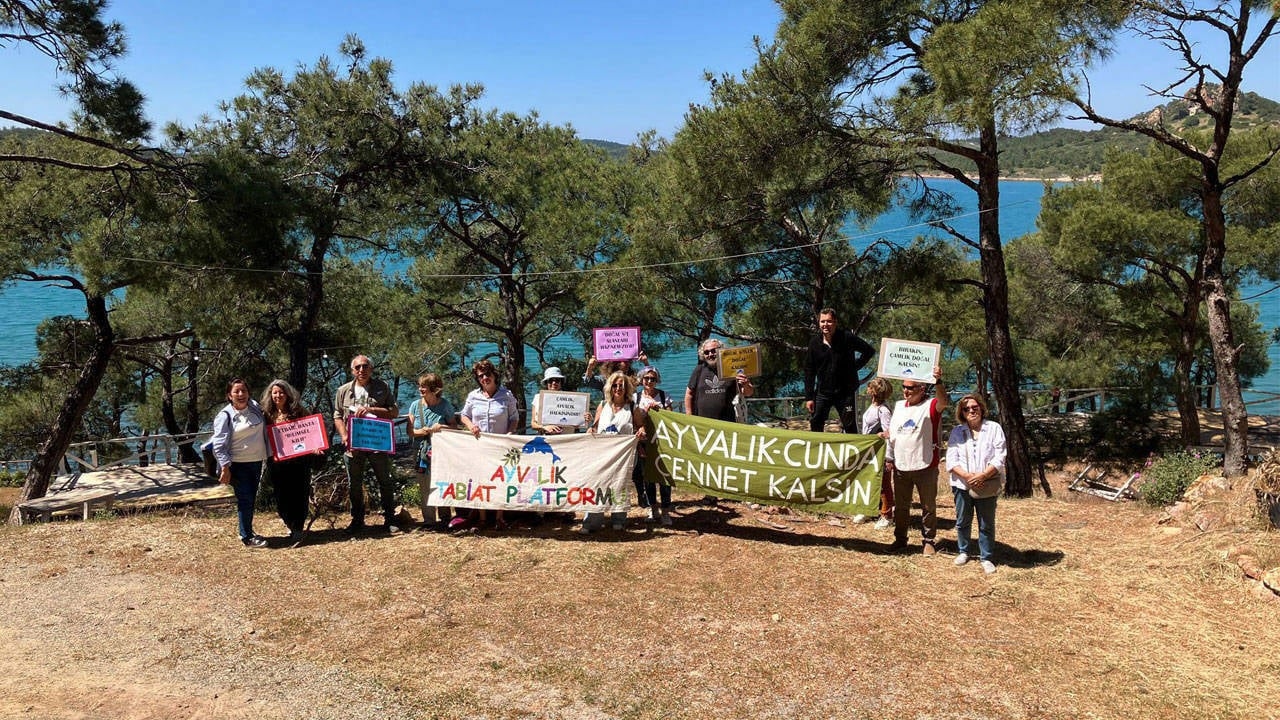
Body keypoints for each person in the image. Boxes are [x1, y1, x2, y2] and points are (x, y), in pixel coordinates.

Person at [333, 354, 401, 534]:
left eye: (365, 366)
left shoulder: (383, 387)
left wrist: (372, 410)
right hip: (354, 446)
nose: (361, 370)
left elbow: (394, 412)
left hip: (377, 443)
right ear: (352, 370)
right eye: (357, 367)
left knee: (384, 481)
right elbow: (337, 416)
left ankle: (390, 518)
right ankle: (357, 520)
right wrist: (344, 435)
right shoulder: (343, 391)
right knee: (354, 484)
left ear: (371, 369)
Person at [884, 366, 948, 555]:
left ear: (921, 389)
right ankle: (900, 540)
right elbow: (892, 435)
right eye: (904, 387)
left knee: (928, 505)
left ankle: (928, 540)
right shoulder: (897, 406)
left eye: (910, 388)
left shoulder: (930, 405)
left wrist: (938, 381)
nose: (906, 391)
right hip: (901, 465)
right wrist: (889, 456)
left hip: (925, 464)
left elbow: (943, 402)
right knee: (901, 507)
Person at [946, 394, 1005, 574]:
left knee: (986, 522)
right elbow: (951, 459)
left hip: (986, 483)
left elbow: (1000, 456)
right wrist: (968, 476)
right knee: (963, 520)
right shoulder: (957, 432)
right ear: (962, 413)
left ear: (981, 408)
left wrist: (983, 476)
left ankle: (986, 556)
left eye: (974, 407)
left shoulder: (994, 428)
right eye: (966, 409)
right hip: (961, 484)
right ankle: (964, 551)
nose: (971, 411)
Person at [458, 359, 520, 530]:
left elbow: (514, 417)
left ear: (494, 375)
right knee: (480, 480)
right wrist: (471, 426)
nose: (485, 378)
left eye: (487, 374)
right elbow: (464, 415)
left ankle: (499, 517)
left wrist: (511, 432)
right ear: (478, 379)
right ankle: (483, 518)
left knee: (501, 480)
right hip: (480, 446)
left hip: (501, 446)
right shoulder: (473, 396)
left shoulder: (506, 395)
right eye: (481, 376)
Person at [583, 371, 646, 533]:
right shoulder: (603, 405)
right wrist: (589, 426)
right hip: (602, 454)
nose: (618, 388)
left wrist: (641, 432)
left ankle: (619, 519)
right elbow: (595, 427)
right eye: (615, 385)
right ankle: (592, 521)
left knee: (620, 485)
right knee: (598, 484)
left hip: (624, 456)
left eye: (622, 386)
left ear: (626, 389)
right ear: (610, 387)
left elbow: (640, 426)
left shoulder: (632, 407)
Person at [210, 378, 269, 548]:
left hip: (257, 461)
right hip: (238, 464)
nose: (241, 394)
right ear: (229, 395)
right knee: (245, 499)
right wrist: (225, 468)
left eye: (243, 390)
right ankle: (247, 536)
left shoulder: (255, 408)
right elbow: (219, 444)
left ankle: (247, 531)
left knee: (250, 499)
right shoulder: (225, 416)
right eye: (236, 391)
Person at [261, 379, 320, 546]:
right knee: (281, 496)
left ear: (287, 394)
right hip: (277, 461)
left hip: (299, 461)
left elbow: (311, 431)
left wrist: (316, 446)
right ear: (270, 395)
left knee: (299, 494)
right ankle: (289, 523)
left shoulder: (298, 411)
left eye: (281, 392)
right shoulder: (266, 414)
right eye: (275, 393)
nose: (278, 395)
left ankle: (298, 528)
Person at [803, 308, 876, 434]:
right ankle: (817, 450)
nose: (826, 324)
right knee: (815, 423)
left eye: (829, 321)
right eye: (823, 321)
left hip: (845, 393)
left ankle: (852, 451)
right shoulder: (814, 343)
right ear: (819, 323)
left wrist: (855, 366)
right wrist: (809, 397)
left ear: (835, 322)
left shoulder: (846, 337)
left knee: (850, 426)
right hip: (823, 392)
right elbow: (809, 370)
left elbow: (869, 351)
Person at [406, 372, 458, 530]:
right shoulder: (415, 406)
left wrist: (441, 427)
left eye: (424, 387)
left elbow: (454, 427)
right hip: (421, 451)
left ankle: (444, 517)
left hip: (440, 451)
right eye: (420, 386)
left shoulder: (445, 405)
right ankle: (429, 520)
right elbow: (410, 431)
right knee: (424, 484)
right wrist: (424, 431)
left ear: (434, 389)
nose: (421, 389)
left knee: (441, 482)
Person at [634, 365, 673, 525]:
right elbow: (633, 421)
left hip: (662, 444)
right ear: (642, 380)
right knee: (648, 478)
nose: (650, 381)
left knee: (664, 478)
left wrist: (659, 411)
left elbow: (672, 419)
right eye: (647, 378)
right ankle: (653, 509)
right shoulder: (635, 398)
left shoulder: (664, 396)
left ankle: (665, 511)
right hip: (644, 443)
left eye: (653, 378)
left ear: (657, 380)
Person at [684, 339, 754, 422]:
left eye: (714, 351)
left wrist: (746, 384)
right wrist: (689, 416)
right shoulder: (699, 370)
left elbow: (748, 393)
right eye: (706, 352)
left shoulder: (732, 369)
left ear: (721, 351)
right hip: (702, 423)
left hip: (728, 423)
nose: (710, 354)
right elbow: (689, 394)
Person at [860, 376, 894, 529]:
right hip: (870, 451)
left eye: (870, 387)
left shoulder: (883, 410)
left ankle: (887, 515)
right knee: (871, 481)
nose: (868, 389)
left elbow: (889, 433)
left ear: (874, 391)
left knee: (883, 484)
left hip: (881, 452)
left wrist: (888, 457)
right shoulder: (873, 407)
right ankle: (870, 509)